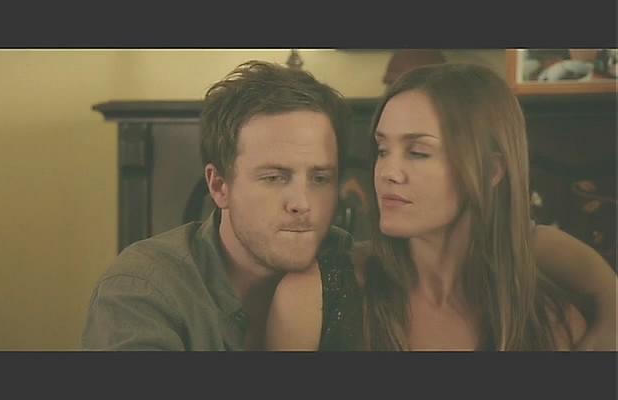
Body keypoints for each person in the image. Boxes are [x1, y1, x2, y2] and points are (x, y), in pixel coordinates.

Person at [82, 60, 616, 351]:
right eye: (274, 177)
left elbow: (525, 240)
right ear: (218, 186)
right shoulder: (147, 288)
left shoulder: (342, 257)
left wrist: (611, 304)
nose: (301, 203)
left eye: (320, 178)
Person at [266, 63, 617, 351]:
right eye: (382, 150)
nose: (387, 172)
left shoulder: (550, 323)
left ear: (491, 171)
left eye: (418, 152)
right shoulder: (315, 299)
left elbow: (529, 241)